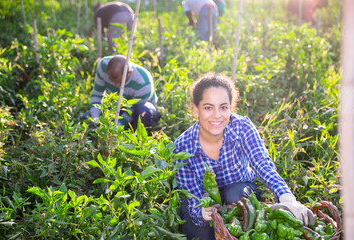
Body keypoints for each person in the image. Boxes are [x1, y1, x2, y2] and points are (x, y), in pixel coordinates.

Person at [173, 73, 315, 239]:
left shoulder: (242, 127)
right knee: (203, 234)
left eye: (224, 107)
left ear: (231, 108)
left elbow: (262, 164)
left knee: (234, 196)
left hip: (239, 191)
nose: (217, 115)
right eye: (208, 107)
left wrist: (287, 198)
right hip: (202, 200)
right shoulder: (182, 146)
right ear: (195, 108)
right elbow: (192, 196)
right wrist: (202, 213)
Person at [80, 55, 159, 133]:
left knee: (143, 112)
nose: (116, 85)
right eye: (112, 81)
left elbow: (131, 110)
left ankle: (142, 137)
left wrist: (116, 127)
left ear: (130, 73)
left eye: (120, 82)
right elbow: (97, 95)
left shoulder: (143, 81)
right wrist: (96, 120)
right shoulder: (102, 66)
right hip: (118, 106)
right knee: (85, 119)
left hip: (140, 109)